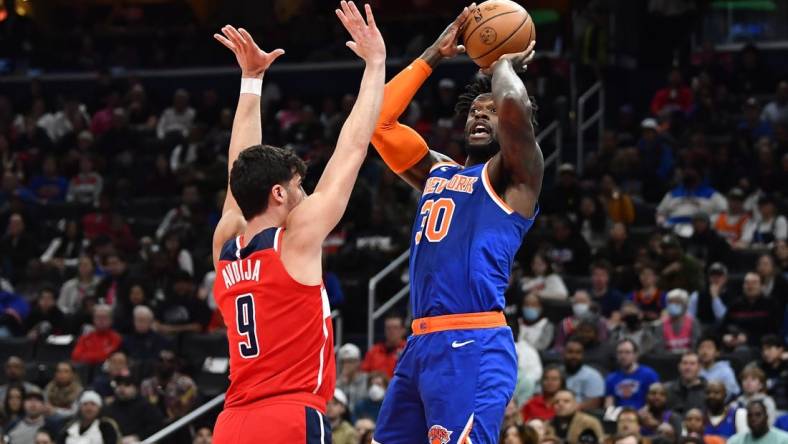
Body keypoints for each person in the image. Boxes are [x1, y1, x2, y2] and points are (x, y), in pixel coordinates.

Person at [369, 2, 544, 441]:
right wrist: (434, 54)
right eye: (473, 110)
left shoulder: (515, 175)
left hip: (474, 343)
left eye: (490, 111)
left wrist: (500, 61)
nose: (480, 114)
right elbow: (378, 123)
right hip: (421, 344)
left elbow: (514, 107)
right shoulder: (438, 171)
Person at [210, 6, 386, 442]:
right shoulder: (294, 241)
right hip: (289, 415)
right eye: (298, 186)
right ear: (278, 194)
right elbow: (353, 148)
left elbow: (240, 168)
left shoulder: (226, 241)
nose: (305, 195)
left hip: (231, 422)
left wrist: (252, 81)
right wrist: (375, 64)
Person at [723, 272, 783, 348]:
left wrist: (748, 339)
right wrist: (726, 336)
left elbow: (774, 331)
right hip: (733, 344)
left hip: (761, 346)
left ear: (762, 286)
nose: (750, 286)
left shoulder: (771, 304)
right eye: (747, 283)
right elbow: (724, 326)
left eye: (754, 283)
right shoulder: (735, 304)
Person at [101, 375, 163, 442]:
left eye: (127, 385)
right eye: (118, 385)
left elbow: (156, 426)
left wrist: (138, 437)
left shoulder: (146, 406)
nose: (121, 388)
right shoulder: (110, 408)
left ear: (135, 388)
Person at [606, 339, 660, 409]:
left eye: (627, 352)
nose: (623, 356)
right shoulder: (611, 378)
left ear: (635, 355)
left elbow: (656, 400)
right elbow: (609, 403)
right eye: (620, 352)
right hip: (619, 416)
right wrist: (611, 418)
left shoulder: (649, 374)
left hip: (643, 414)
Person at [57, 390, 121, 444]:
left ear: (99, 408)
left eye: (93, 404)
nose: (89, 408)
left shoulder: (106, 426)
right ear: (80, 408)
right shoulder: (70, 427)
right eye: (85, 404)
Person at [563, 337, 605, 411]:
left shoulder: (592, 375)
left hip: (583, 415)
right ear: (564, 353)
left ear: (583, 355)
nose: (574, 356)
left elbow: (594, 403)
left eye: (578, 352)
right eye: (570, 352)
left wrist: (568, 410)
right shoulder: (557, 373)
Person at [361, 313, 406, 379]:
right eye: (388, 328)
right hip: (376, 387)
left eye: (395, 328)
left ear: (403, 330)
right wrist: (372, 376)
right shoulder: (374, 351)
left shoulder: (408, 350)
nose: (391, 331)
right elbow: (363, 375)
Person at [336, 343, 368, 415]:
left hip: (363, 418)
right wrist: (342, 381)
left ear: (358, 362)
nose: (346, 365)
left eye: (350, 361)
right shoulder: (338, 383)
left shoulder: (367, 380)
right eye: (343, 362)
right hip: (344, 420)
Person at [758, 335, 788, 410]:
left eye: (769, 349)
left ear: (780, 349)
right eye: (763, 350)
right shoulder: (760, 367)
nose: (765, 353)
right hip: (765, 408)